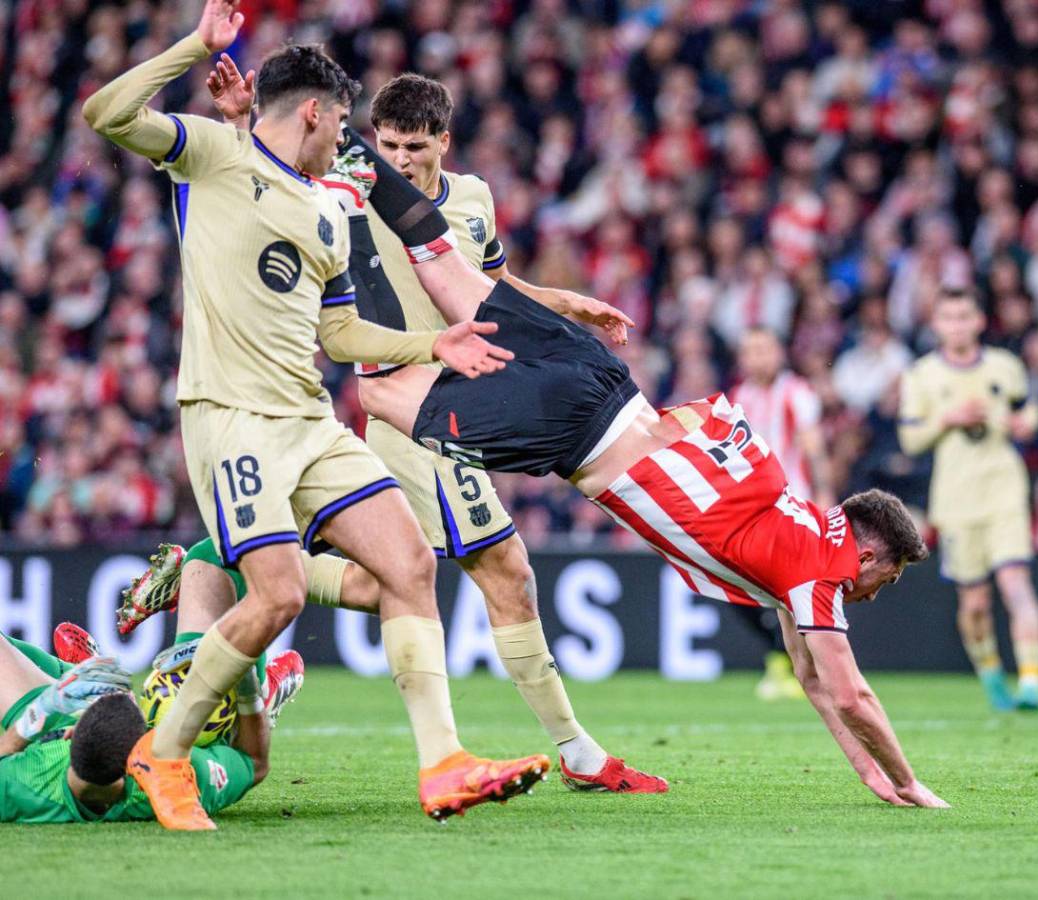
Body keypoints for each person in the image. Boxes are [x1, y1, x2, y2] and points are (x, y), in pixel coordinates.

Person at [318, 138, 949, 807]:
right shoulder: (818, 575)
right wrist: (912, 781)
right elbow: (850, 691)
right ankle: (345, 208)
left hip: (605, 377)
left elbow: (813, 680)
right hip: (571, 431)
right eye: (887, 576)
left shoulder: (792, 517)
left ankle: (351, 151)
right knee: (380, 392)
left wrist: (870, 775)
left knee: (451, 270)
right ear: (869, 549)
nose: (877, 592)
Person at [82, 0, 545, 830]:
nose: (349, 144)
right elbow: (105, 113)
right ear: (314, 113)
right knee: (278, 596)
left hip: (308, 418)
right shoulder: (214, 153)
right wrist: (195, 46)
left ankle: (442, 764)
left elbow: (336, 332)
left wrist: (428, 348)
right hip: (231, 417)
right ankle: (166, 751)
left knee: (408, 565)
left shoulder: (328, 209)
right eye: (343, 126)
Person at [205, 61, 663, 793]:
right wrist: (236, 119)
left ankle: (229, 565)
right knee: (504, 570)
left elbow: (489, 286)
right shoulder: (344, 193)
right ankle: (574, 754)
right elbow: (265, 172)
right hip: (409, 408)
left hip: (465, 404)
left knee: (376, 580)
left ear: (443, 142)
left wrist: (565, 305)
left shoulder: (473, 199)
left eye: (413, 147)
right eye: (385, 145)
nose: (397, 161)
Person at [898, 287, 1038, 711]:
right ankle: (991, 675)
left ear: (979, 321)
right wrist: (947, 418)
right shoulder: (922, 375)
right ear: (937, 325)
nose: (958, 325)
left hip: (1004, 488)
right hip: (956, 498)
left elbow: (1029, 411)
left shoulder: (1005, 366)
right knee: (975, 602)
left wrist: (1023, 424)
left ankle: (1032, 684)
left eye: (965, 316)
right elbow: (910, 439)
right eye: (949, 318)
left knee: (1015, 584)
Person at [0, 615, 298, 823]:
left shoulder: (25, 780)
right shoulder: (177, 773)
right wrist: (249, 692)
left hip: (48, 733)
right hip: (214, 721)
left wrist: (42, 710)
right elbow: (253, 763)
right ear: (141, 754)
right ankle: (264, 692)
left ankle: (83, 673)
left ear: (71, 734)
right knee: (237, 645)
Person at [729, 327, 833, 701]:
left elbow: (814, 448)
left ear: (778, 353)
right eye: (749, 350)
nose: (757, 357)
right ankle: (784, 660)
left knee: (793, 593)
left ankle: (792, 667)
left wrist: (823, 498)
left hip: (794, 506)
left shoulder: (796, 392)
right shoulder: (740, 397)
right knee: (738, 589)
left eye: (763, 349)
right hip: (751, 510)